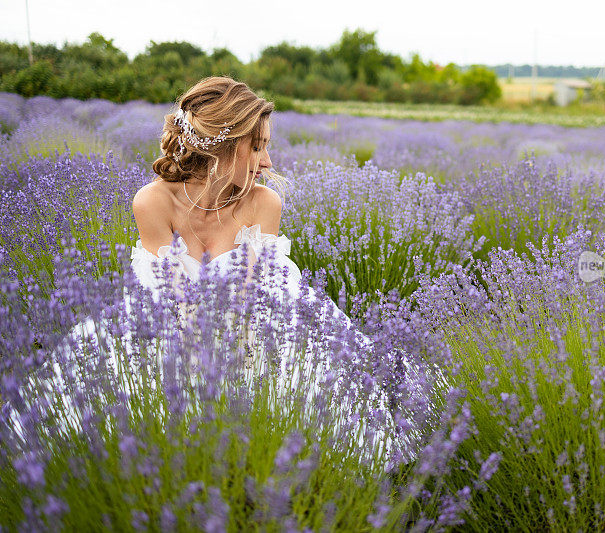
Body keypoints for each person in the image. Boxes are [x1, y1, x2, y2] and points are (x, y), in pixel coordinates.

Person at [3, 77, 424, 470]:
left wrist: (226, 356)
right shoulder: (153, 202)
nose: (268, 161)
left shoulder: (264, 203)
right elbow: (162, 295)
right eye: (257, 148)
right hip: (169, 326)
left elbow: (252, 297)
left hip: (254, 326)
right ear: (221, 147)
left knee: (311, 401)